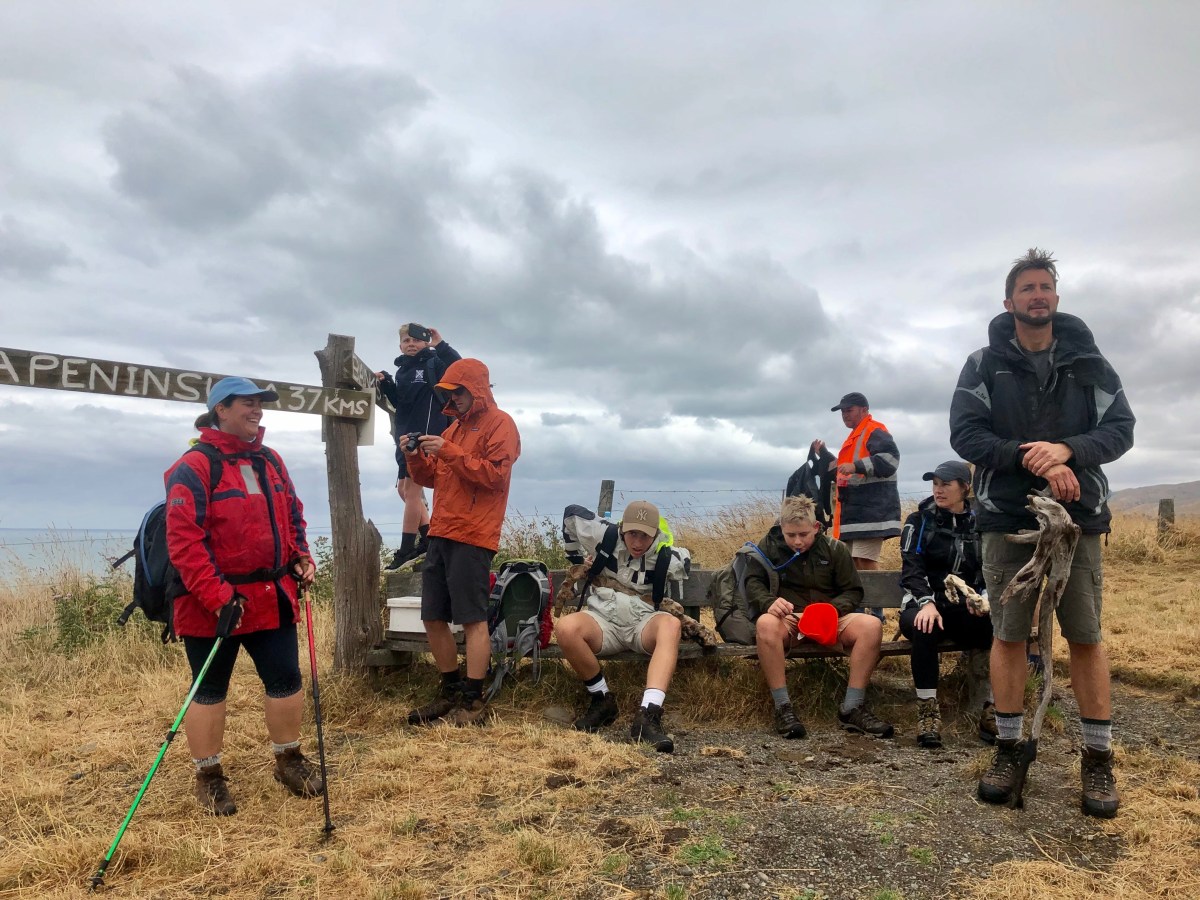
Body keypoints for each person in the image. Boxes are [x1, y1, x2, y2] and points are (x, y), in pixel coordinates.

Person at [949, 247, 1135, 819]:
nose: (1037, 295)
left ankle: (1097, 761)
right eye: (1026, 288)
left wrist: (1070, 450)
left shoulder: (1090, 364)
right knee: (1008, 634)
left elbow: (1121, 429)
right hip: (1005, 517)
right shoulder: (983, 364)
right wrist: (1037, 460)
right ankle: (1008, 749)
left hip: (1080, 523)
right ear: (1009, 302)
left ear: (1056, 297)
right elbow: (966, 434)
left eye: (1045, 287)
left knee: (1085, 634)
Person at [165, 376, 320, 816]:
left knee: (286, 680)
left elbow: (293, 516)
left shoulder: (270, 460)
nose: (257, 411)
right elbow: (184, 543)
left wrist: (301, 557)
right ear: (221, 409)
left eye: (259, 404)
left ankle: (289, 761)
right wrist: (219, 597)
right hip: (212, 606)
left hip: (272, 595)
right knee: (209, 691)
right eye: (248, 404)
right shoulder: (193, 466)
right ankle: (209, 777)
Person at [403, 358, 521, 727]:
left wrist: (449, 451)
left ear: (477, 389)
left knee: (472, 618)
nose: (454, 397)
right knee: (433, 616)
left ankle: (473, 700)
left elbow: (495, 477)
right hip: (441, 531)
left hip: (473, 534)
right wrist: (414, 457)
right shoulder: (453, 429)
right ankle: (450, 690)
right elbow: (434, 478)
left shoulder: (501, 424)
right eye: (450, 392)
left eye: (460, 391)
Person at [746, 496, 894, 739]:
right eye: (790, 534)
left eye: (803, 534)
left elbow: (853, 590)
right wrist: (769, 602)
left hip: (829, 617)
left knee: (871, 625)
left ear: (815, 527)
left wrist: (832, 609)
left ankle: (852, 707)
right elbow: (753, 583)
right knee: (765, 624)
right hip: (790, 619)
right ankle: (783, 708)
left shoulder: (834, 548)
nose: (797, 541)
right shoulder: (769, 547)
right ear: (781, 528)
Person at [558, 500, 690, 753]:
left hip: (643, 624)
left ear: (655, 534)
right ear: (622, 529)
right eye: (632, 534)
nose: (638, 543)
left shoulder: (667, 556)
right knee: (566, 627)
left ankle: (648, 716)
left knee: (671, 626)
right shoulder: (604, 537)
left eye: (645, 536)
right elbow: (570, 514)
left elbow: (683, 562)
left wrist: (670, 556)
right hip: (603, 621)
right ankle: (602, 700)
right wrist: (576, 558)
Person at [898, 460, 995, 749]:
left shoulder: (982, 523)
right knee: (924, 625)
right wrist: (926, 603)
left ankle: (991, 707)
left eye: (946, 484)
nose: (938, 490)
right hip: (921, 604)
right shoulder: (919, 521)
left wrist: (984, 600)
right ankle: (927, 711)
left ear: (965, 488)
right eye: (935, 483)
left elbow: (991, 568)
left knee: (998, 626)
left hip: (964, 606)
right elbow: (911, 569)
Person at [375, 323, 462, 570]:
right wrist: (388, 383)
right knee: (403, 490)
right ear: (400, 345)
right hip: (405, 437)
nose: (411, 344)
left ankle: (405, 550)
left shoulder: (433, 363)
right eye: (406, 341)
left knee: (412, 492)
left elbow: (459, 368)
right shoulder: (403, 370)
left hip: (425, 437)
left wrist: (441, 345)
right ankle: (427, 539)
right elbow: (401, 402)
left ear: (425, 342)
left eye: (416, 340)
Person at [817, 392, 902, 572]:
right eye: (843, 412)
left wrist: (856, 466)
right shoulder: (854, 437)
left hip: (871, 512)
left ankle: (880, 598)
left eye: (849, 410)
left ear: (864, 410)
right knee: (853, 564)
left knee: (864, 561)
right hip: (855, 514)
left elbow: (890, 460)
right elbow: (841, 470)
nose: (845, 415)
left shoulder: (873, 430)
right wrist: (823, 454)